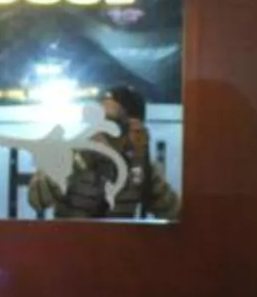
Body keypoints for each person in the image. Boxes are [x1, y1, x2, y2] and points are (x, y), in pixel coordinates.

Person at [30, 83, 179, 221]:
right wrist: (80, 159)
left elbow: (175, 213)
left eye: (117, 125)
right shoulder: (71, 153)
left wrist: (142, 159)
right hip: (71, 239)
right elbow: (36, 199)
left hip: (116, 241)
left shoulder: (137, 166)